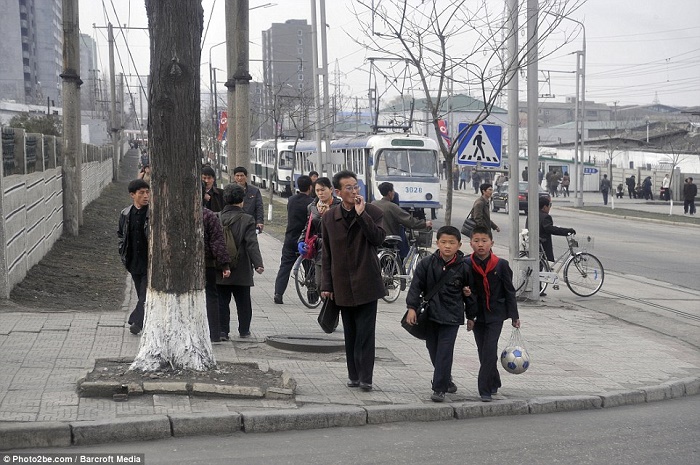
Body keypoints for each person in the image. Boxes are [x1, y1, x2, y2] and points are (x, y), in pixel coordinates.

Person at [321, 170, 386, 392]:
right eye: (348, 188)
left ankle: (366, 377)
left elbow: (377, 238)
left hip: (367, 281)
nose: (354, 191)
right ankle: (353, 375)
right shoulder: (329, 217)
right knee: (351, 333)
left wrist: (361, 215)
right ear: (338, 192)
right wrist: (326, 285)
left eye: (356, 186)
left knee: (366, 333)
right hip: (342, 284)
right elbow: (326, 253)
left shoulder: (373, 212)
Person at [404, 226, 473, 402]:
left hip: (452, 316)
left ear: (459, 245)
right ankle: (446, 379)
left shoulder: (465, 267)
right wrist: (411, 308)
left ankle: (439, 388)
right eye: (443, 242)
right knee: (432, 348)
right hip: (431, 315)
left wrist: (472, 316)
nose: (447, 246)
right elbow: (416, 286)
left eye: (451, 243)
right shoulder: (427, 263)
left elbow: (472, 295)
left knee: (445, 351)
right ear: (437, 243)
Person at [464, 225, 520, 402]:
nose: (481, 245)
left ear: (491, 243)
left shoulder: (501, 265)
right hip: (476, 314)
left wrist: (514, 316)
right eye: (476, 241)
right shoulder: (466, 264)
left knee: (489, 350)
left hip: (496, 314)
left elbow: (509, 291)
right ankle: (494, 380)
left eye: (484, 241)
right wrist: (468, 313)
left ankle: (485, 389)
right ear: (471, 243)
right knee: (483, 351)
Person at [216, 184, 264, 340]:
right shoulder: (247, 219)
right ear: (242, 200)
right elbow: (251, 243)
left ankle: (223, 331)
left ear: (225, 200)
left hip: (221, 266)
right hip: (242, 267)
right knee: (243, 301)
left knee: (222, 301)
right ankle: (244, 330)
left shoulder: (217, 217)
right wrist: (258, 264)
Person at [273, 175, 314, 304]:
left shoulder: (291, 200)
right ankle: (312, 297)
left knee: (285, 266)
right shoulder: (312, 203)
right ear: (310, 187)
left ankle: (278, 294)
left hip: (290, 239)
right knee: (309, 268)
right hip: (305, 240)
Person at [117, 179, 150, 335]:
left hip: (150, 262)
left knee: (145, 296)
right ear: (132, 195)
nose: (146, 196)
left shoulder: (153, 212)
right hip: (133, 262)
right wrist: (122, 253)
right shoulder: (125, 213)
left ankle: (137, 322)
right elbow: (120, 235)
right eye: (141, 193)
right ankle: (145, 320)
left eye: (147, 192)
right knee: (141, 295)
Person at [298, 176, 341, 294]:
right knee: (320, 284)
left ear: (331, 189)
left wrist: (329, 214)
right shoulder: (312, 207)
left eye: (323, 190)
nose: (320, 193)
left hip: (337, 248)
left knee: (336, 284)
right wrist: (301, 241)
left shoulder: (339, 206)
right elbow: (308, 226)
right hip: (320, 248)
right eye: (317, 191)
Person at [373, 182, 432, 259]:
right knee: (402, 249)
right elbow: (409, 221)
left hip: (376, 238)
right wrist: (424, 224)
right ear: (390, 193)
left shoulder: (373, 204)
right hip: (390, 238)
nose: (394, 193)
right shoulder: (393, 207)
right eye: (393, 191)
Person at [203, 194, 231, 342]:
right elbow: (217, 242)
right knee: (211, 297)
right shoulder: (208, 215)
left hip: (182, 266)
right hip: (207, 263)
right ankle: (214, 333)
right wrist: (224, 265)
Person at [534, 195, 576, 264]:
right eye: (549, 206)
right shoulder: (546, 217)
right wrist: (567, 231)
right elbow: (551, 229)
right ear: (544, 207)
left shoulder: (532, 215)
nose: (549, 208)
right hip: (543, 245)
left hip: (533, 244)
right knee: (546, 264)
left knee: (541, 265)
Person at [233, 166, 264, 232]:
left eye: (242, 175)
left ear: (246, 177)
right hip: (234, 223)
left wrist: (259, 221)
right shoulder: (229, 190)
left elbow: (259, 207)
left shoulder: (254, 191)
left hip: (250, 223)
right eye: (237, 175)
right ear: (234, 177)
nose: (239, 178)